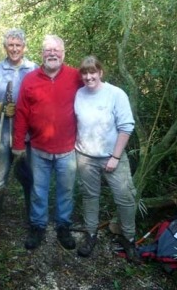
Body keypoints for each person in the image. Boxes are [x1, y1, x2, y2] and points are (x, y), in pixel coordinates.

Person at [12, 34, 83, 250]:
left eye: (56, 50)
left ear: (63, 53)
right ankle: (38, 226)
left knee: (65, 191)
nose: (52, 54)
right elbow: (22, 113)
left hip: (67, 149)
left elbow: (94, 94)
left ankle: (63, 226)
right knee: (38, 191)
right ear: (41, 54)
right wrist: (17, 144)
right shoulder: (30, 79)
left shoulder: (75, 76)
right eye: (47, 50)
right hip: (39, 148)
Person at [74, 55, 138, 262]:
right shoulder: (79, 94)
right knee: (90, 196)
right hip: (85, 156)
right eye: (85, 73)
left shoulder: (115, 94)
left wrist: (115, 156)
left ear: (100, 72)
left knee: (125, 198)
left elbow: (126, 126)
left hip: (113, 157)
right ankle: (91, 234)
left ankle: (129, 238)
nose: (89, 77)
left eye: (93, 72)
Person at [0, 28, 38, 230]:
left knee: (31, 177)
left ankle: (33, 218)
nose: (14, 49)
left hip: (29, 135)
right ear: (5, 47)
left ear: (24, 47)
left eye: (18, 45)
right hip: (3, 134)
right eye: (11, 45)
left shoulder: (34, 69)